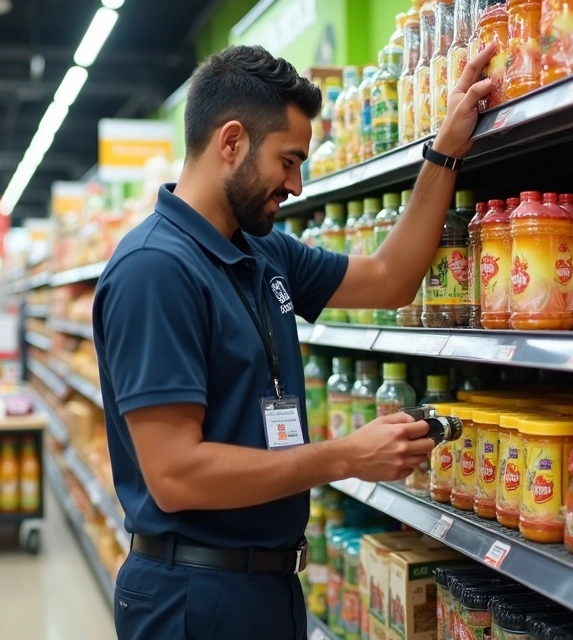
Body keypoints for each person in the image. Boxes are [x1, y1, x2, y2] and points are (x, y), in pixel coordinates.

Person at [92, 44, 495, 639]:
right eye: (287, 161)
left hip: (269, 587)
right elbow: (176, 476)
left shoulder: (263, 251)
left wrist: (444, 151)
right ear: (231, 143)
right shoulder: (155, 269)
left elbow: (391, 279)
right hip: (192, 597)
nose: (297, 184)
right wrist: (346, 456)